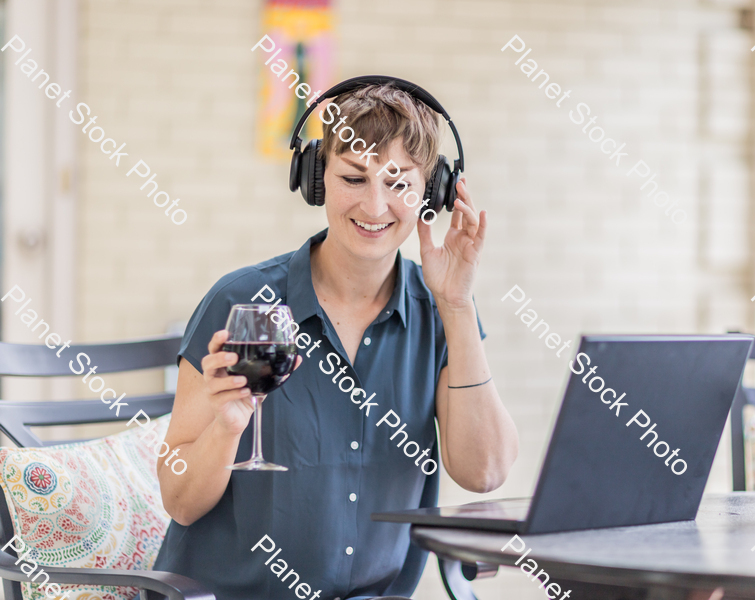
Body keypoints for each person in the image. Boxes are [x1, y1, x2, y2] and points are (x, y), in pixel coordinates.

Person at [152, 82, 519, 600]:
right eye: (353, 178)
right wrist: (227, 429)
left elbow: (485, 472)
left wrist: (456, 306)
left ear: (431, 191)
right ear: (317, 178)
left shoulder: (439, 310)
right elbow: (180, 502)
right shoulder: (244, 301)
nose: (375, 205)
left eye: (398, 184)